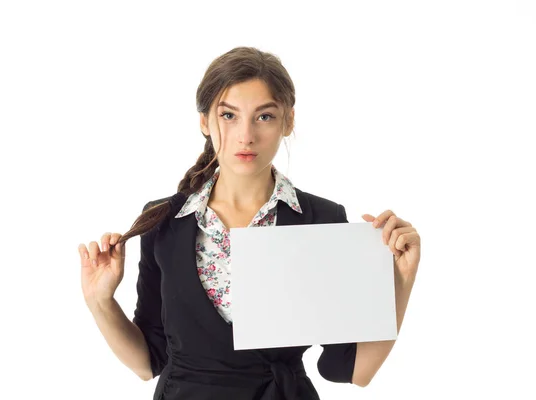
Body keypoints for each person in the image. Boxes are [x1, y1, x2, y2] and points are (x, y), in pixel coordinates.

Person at [78, 46, 421, 400]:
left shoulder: (322, 220)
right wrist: (100, 301)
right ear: (204, 121)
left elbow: (351, 369)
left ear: (288, 121)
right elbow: (148, 360)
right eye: (229, 115)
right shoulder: (163, 220)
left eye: (264, 117)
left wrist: (401, 279)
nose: (246, 136)